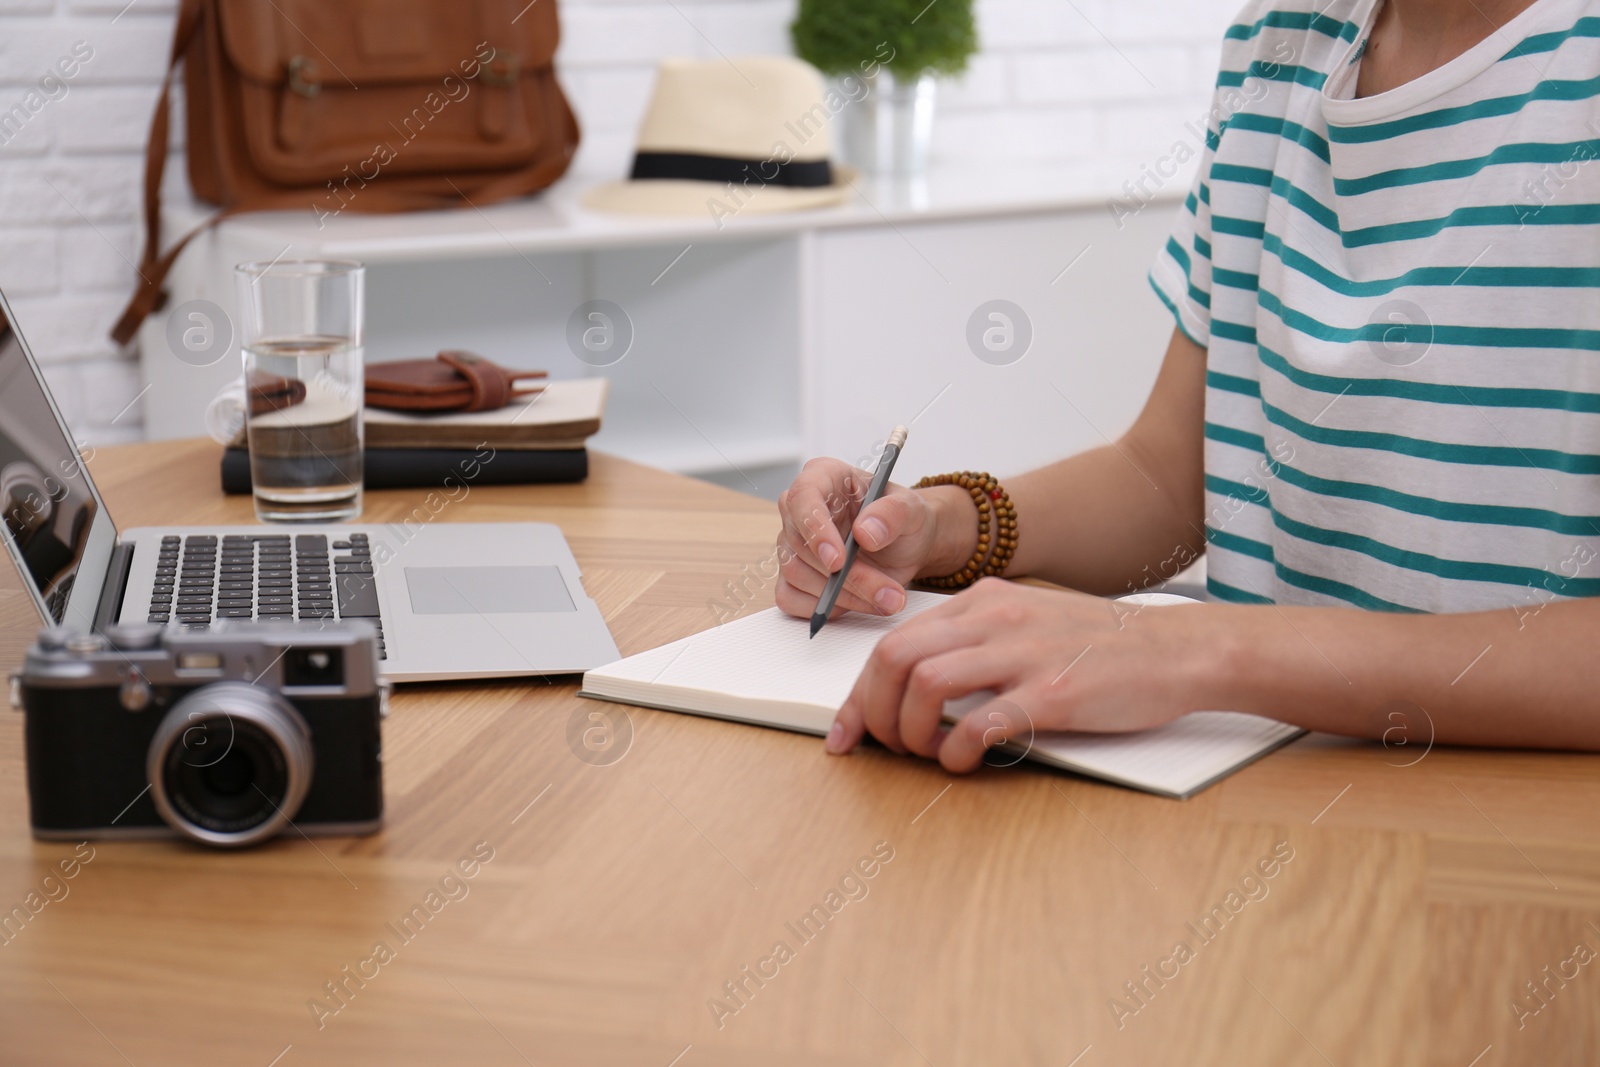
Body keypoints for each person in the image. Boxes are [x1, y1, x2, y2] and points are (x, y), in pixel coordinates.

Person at [774, 0, 1600, 772]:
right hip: (1262, 780)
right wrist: (942, 525)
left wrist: (1199, 650)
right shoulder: (1278, 40)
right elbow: (1171, 478)